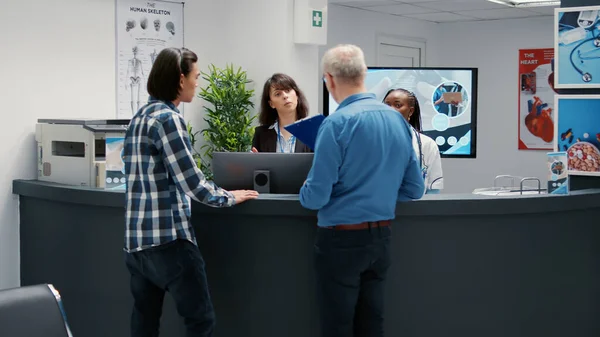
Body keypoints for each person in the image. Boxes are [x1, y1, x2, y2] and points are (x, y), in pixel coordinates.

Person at [122, 47, 259, 337]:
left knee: (144, 325)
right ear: (180, 79)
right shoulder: (168, 120)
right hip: (170, 242)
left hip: (137, 244)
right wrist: (230, 196)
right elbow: (193, 184)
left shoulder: (139, 118)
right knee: (200, 321)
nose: (198, 83)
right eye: (196, 76)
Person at [299, 44, 425, 337]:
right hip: (380, 239)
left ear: (329, 79)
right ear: (364, 73)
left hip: (340, 239)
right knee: (371, 325)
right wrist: (377, 192)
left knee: (338, 326)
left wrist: (304, 189)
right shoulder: (397, 121)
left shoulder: (336, 124)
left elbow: (315, 197)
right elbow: (414, 188)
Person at [384, 88, 444, 194]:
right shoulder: (372, 140)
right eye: (387, 105)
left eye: (397, 105)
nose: (391, 109)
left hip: (415, 208)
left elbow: (433, 189)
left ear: (411, 111)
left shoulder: (427, 144)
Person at [251, 73, 312, 153]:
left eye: (288, 90)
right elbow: (256, 165)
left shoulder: (312, 131)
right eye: (278, 94)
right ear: (271, 104)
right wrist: (254, 162)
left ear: (296, 95)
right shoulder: (261, 135)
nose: (285, 96)